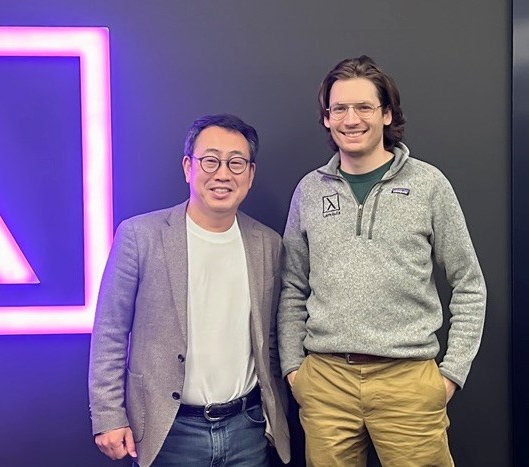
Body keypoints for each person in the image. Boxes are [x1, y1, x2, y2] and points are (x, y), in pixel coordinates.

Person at [278, 55, 487, 466]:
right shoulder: (310, 190)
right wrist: (294, 371)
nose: (350, 119)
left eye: (363, 107)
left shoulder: (428, 184)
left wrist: (449, 375)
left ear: (387, 114)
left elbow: (469, 283)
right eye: (339, 108)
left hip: (408, 381)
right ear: (326, 118)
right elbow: (292, 286)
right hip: (326, 382)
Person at [89, 114, 291, 466]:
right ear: (188, 167)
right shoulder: (141, 236)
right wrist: (108, 415)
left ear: (250, 173)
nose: (223, 174)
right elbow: (110, 331)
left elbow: (270, 339)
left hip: (248, 427)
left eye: (236, 163)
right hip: (169, 430)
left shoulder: (268, 244)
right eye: (210, 161)